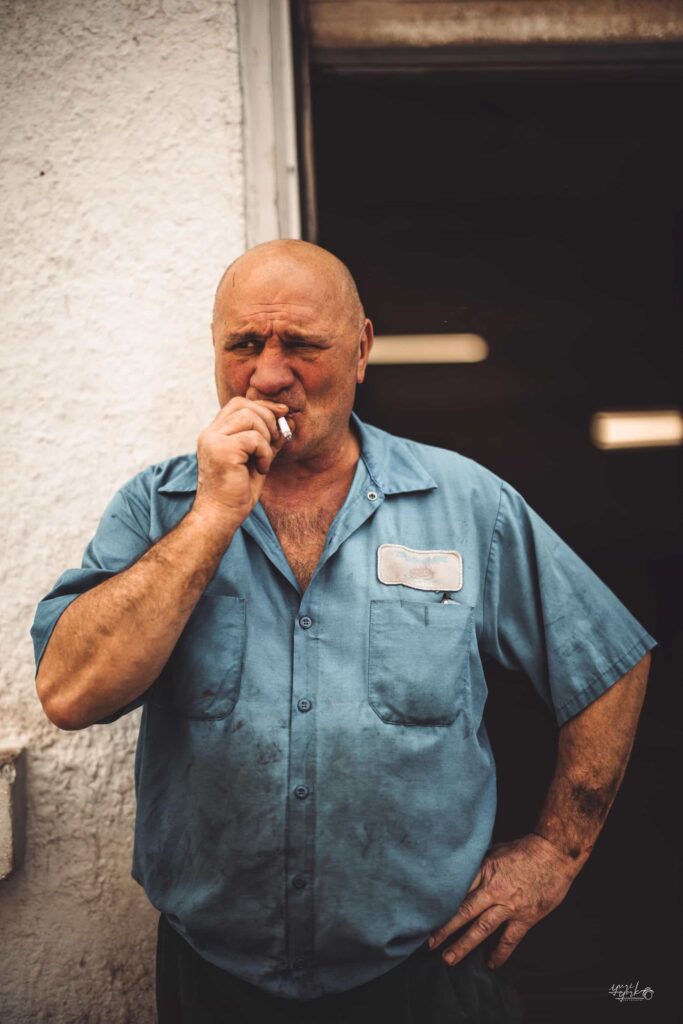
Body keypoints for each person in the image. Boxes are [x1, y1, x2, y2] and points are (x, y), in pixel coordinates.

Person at [32, 239, 655, 1024]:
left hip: (428, 974)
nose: (266, 373)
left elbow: (608, 662)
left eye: (300, 344)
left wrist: (553, 855)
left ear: (361, 348)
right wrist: (214, 516)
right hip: (216, 978)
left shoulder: (464, 502)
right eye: (244, 345)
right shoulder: (157, 508)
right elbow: (68, 692)